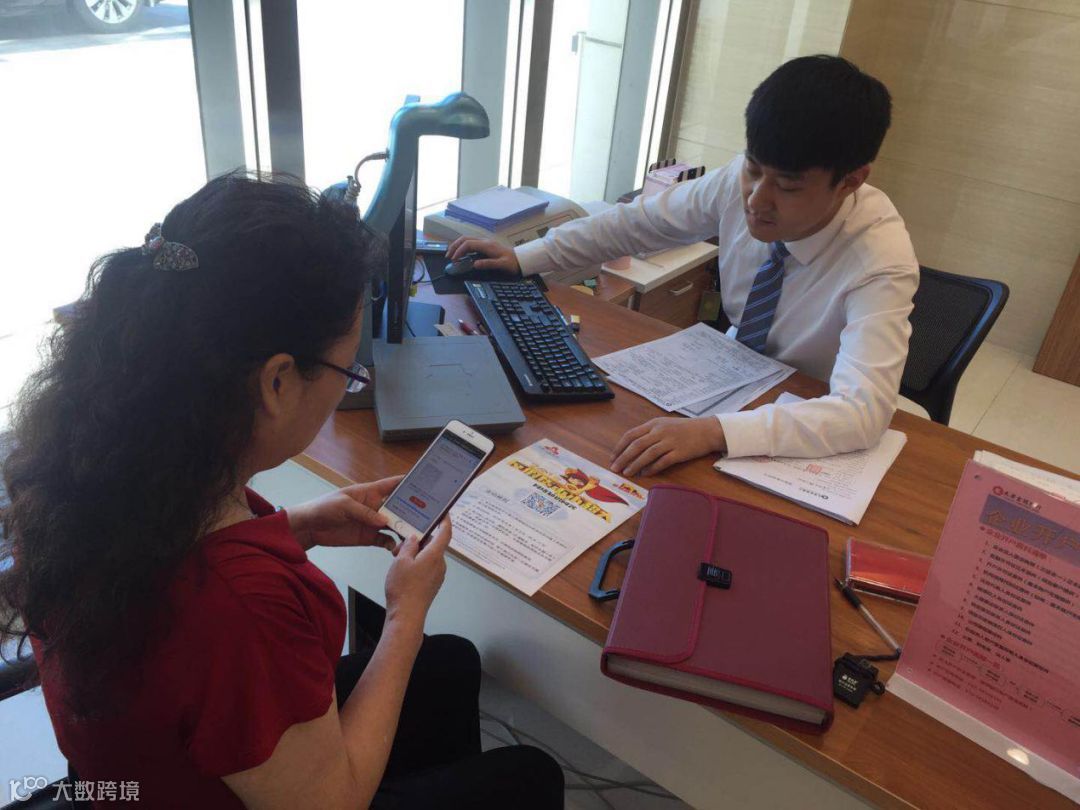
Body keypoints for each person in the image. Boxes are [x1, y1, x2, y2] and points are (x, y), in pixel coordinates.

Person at [0, 174, 564, 809]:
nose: (349, 385)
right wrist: (406, 615)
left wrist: (299, 525)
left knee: (451, 664)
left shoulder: (83, 472)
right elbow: (332, 802)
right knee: (529, 775)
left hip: (128, 776)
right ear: (277, 382)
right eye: (349, 369)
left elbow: (173, 578)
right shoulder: (246, 607)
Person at [448, 55, 918, 476]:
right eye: (754, 169)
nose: (757, 200)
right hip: (733, 376)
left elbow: (862, 412)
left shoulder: (880, 261)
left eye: (788, 187)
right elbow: (639, 224)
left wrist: (714, 432)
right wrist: (526, 256)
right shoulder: (739, 182)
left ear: (851, 181)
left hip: (807, 415)